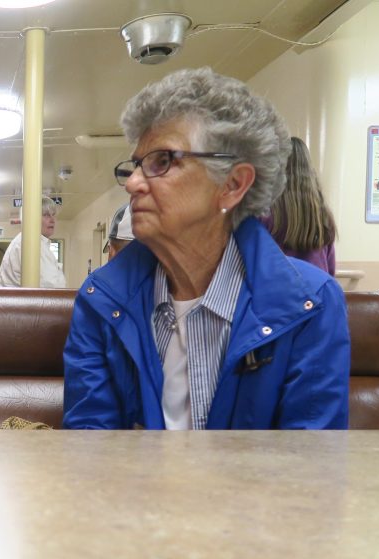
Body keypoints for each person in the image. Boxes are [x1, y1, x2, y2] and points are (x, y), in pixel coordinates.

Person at [63, 67, 349, 430]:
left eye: (162, 161)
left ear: (232, 184)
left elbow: (309, 462)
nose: (133, 183)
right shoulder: (101, 300)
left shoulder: (310, 305)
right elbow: (90, 445)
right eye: (136, 165)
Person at [265, 136, 338, 275]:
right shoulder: (323, 215)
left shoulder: (266, 214)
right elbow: (330, 271)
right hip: (316, 292)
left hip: (277, 292)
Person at [0, 196, 67, 288]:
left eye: (53, 214)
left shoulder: (34, 242)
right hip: (28, 301)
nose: (52, 220)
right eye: (46, 215)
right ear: (31, 217)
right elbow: (49, 285)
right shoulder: (30, 244)